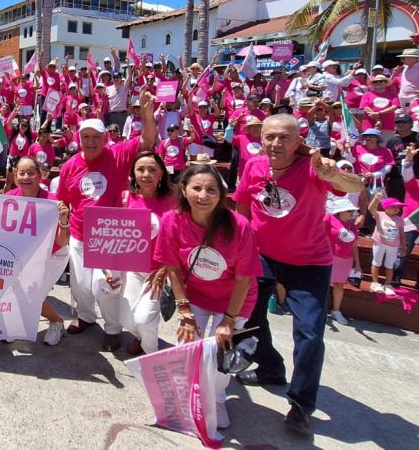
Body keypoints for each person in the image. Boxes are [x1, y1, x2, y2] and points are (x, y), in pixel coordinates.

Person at [233, 113, 363, 435]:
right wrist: (241, 247)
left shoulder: (314, 168)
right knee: (247, 318)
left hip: (309, 264)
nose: (276, 144)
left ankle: (301, 405)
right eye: (270, 137)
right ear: (261, 139)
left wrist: (334, 174)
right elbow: (244, 208)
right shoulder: (253, 166)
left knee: (309, 334)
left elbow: (354, 184)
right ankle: (270, 368)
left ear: (298, 141)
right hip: (262, 256)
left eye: (284, 138)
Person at [155, 164, 262, 429]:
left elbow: (244, 278)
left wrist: (228, 320)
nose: (203, 195)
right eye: (197, 188)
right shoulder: (172, 219)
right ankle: (188, 396)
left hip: (235, 301)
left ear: (222, 194)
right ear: (184, 189)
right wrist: (184, 310)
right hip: (195, 296)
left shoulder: (240, 225)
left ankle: (216, 398)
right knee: (187, 349)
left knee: (218, 355)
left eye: (211, 189)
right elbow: (173, 267)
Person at [57, 91, 156, 352]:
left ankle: (113, 329)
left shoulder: (118, 155)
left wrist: (147, 114)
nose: (91, 143)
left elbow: (147, 140)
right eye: (85, 137)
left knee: (105, 287)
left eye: (96, 138)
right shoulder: (69, 166)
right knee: (80, 286)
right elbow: (63, 200)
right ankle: (87, 318)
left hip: (108, 236)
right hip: (79, 234)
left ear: (105, 139)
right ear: (79, 140)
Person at [7, 156, 71, 345]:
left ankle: (57, 322)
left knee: (33, 295)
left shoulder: (52, 202)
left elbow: (61, 240)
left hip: (53, 255)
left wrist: (64, 220)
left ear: (40, 176)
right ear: (15, 175)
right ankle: (17, 324)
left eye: (31, 173)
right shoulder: (10, 197)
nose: (26, 177)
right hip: (26, 257)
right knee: (16, 291)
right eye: (22, 173)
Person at [119, 151, 175, 355]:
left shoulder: (175, 199)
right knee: (126, 319)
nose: (146, 174)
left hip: (160, 271)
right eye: (140, 169)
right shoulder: (126, 198)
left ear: (162, 173)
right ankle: (143, 338)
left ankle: (151, 355)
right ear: (133, 173)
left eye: (152, 169)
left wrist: (167, 270)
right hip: (134, 268)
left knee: (143, 319)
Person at [324, 198, 361, 325]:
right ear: (339, 212)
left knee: (339, 285)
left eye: (352, 211)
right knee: (324, 283)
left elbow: (354, 245)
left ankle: (336, 310)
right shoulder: (329, 219)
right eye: (348, 210)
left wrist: (358, 264)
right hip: (330, 257)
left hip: (346, 259)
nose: (351, 213)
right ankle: (320, 309)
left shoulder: (353, 226)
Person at [367, 194, 405, 296]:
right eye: (394, 206)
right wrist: (376, 199)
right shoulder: (379, 214)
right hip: (380, 243)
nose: (397, 209)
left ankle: (388, 284)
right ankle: (375, 282)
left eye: (398, 207)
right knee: (376, 262)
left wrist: (403, 246)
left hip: (393, 246)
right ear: (386, 207)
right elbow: (370, 208)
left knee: (389, 265)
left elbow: (401, 233)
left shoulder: (399, 219)